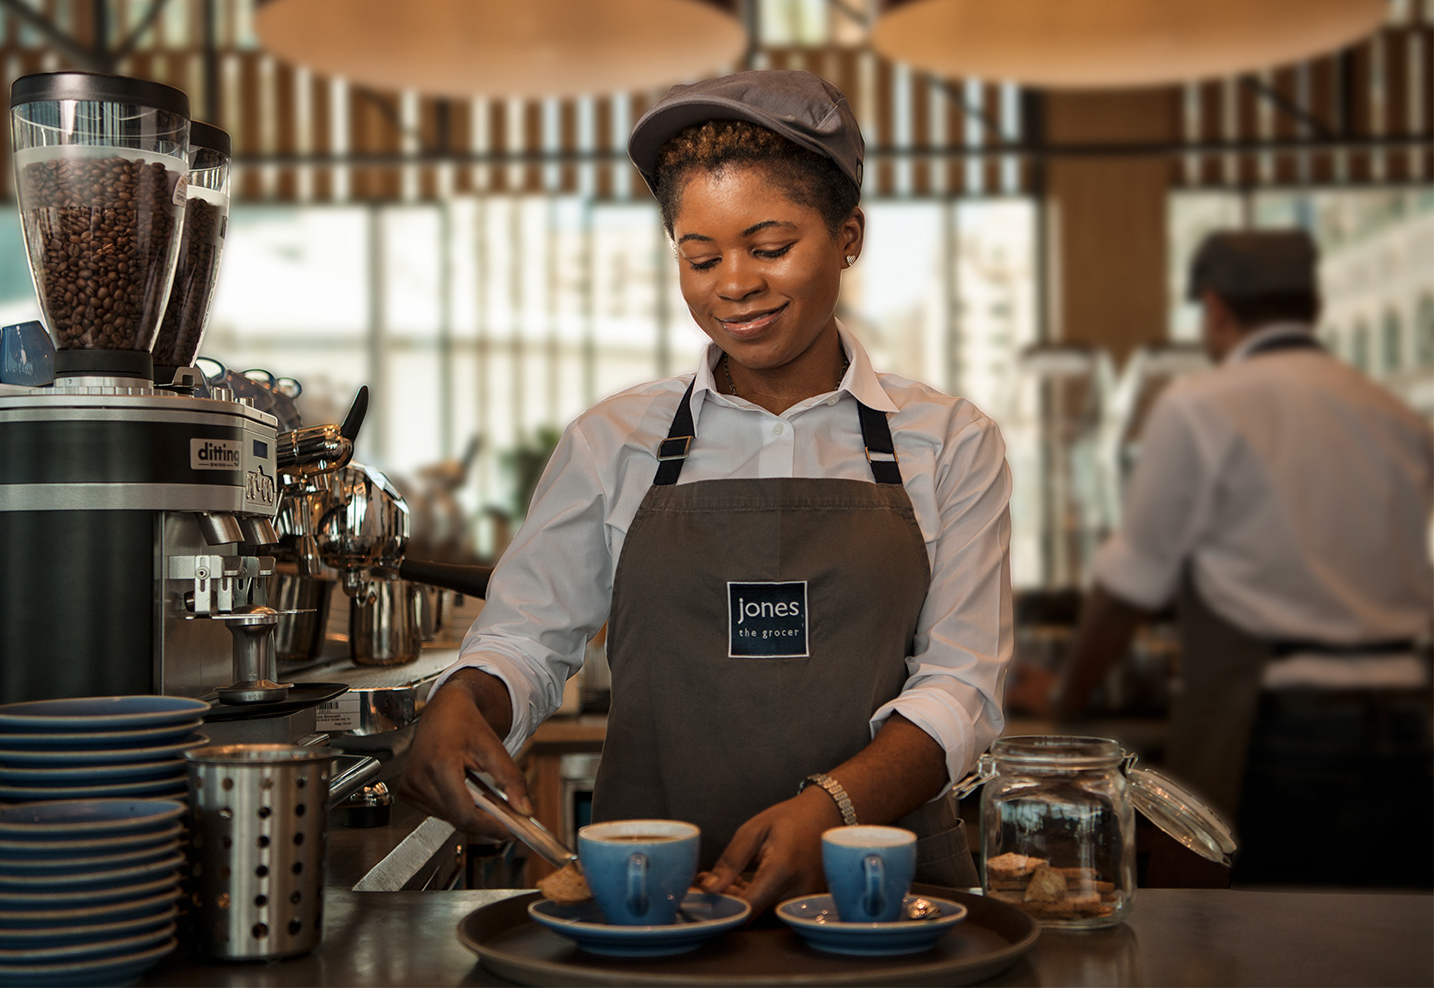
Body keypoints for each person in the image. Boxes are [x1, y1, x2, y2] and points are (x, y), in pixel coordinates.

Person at [397, 69, 1012, 913]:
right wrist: (466, 696)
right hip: (651, 897)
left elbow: (963, 689)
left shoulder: (947, 442)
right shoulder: (614, 440)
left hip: (882, 894)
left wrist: (831, 808)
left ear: (849, 236)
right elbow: (528, 639)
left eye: (769, 248)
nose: (733, 284)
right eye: (700, 257)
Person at [1012, 230, 1434, 887]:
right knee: (1384, 944)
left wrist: (1068, 698)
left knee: (1268, 944)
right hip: (1408, 721)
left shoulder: (1203, 406)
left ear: (1214, 308)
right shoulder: (1394, 414)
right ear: (1312, 305)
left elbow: (1132, 585)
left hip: (1283, 727)